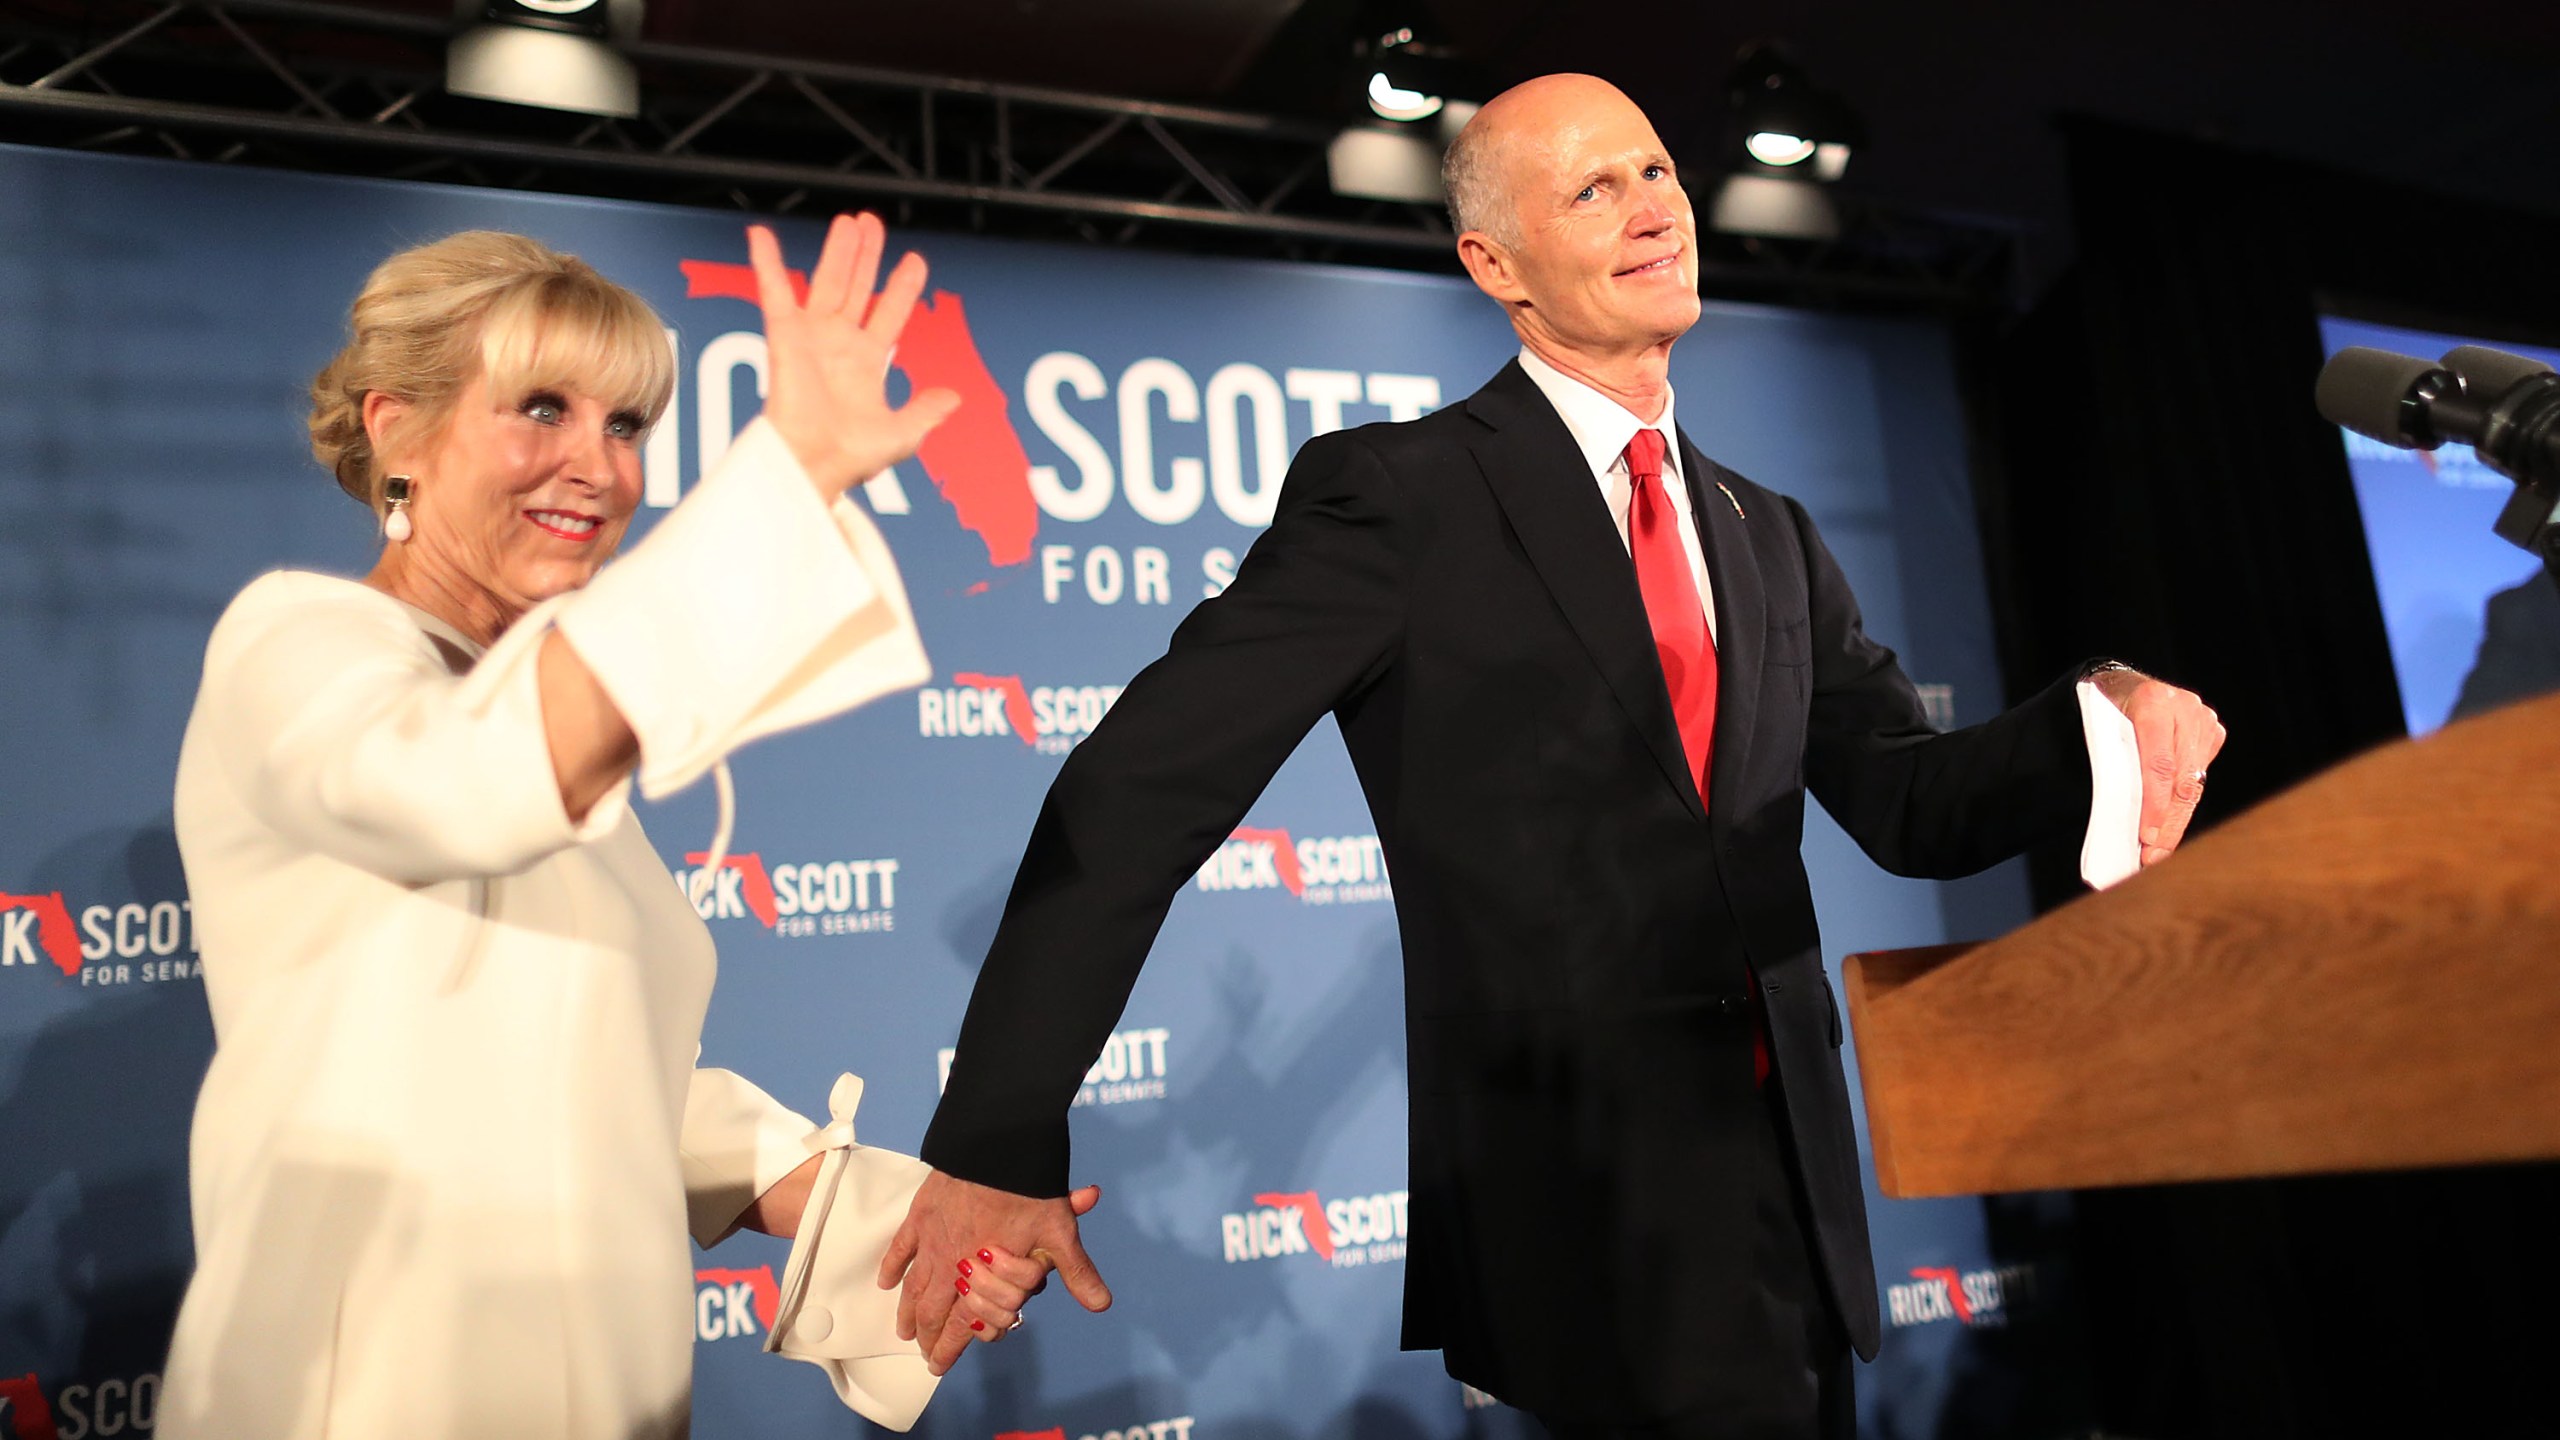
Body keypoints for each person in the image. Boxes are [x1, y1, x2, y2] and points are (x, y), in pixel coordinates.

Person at [879, 74, 2226, 1440]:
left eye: (1654, 172)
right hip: (1579, 1212)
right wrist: (997, 1135)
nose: (1652, 212)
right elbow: (1133, 797)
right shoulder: (1397, 499)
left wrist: (2097, 709)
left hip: (1794, 1208)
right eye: (1593, 189)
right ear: (1494, 264)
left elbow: (1912, 803)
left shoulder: (1770, 533)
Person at [157, 215, 1069, 1440]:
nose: (599, 466)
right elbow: (451, 785)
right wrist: (785, 486)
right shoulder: (298, 644)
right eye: (542, 409)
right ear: (397, 434)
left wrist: (899, 1219)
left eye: (627, 425)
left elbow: (599, 1071)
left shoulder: (542, 726)